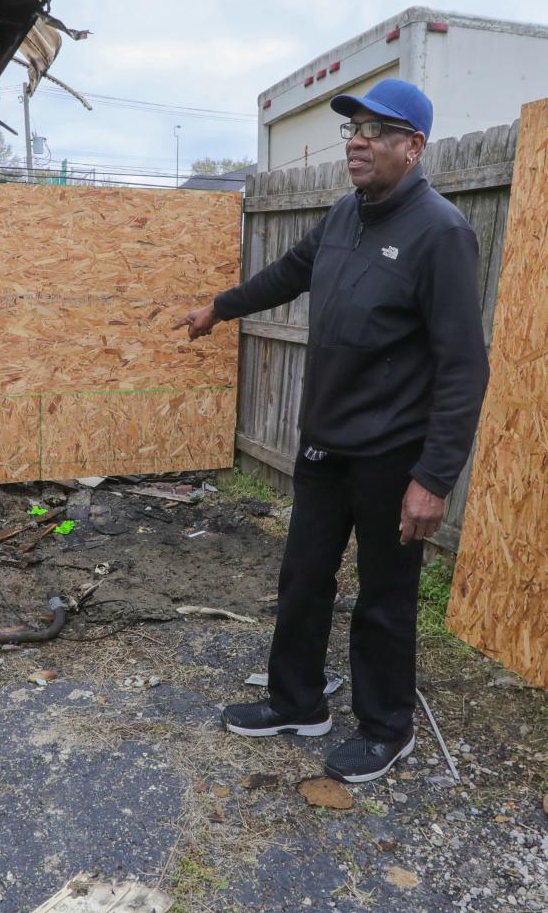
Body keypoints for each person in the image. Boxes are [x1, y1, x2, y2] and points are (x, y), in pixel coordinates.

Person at [175, 78, 489, 783]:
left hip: (390, 456)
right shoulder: (348, 215)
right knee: (305, 577)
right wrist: (219, 309)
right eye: (353, 128)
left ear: (413, 147)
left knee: (383, 597)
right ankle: (297, 701)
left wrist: (433, 478)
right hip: (323, 444)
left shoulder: (441, 234)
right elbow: (289, 272)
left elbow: (464, 369)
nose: (358, 140)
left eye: (377, 131)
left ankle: (387, 727)